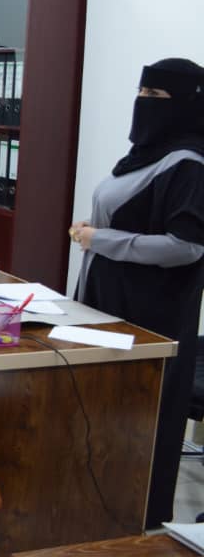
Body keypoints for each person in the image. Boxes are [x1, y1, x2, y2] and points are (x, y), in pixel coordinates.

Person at [70, 57, 204, 528]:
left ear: (187, 104)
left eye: (156, 96)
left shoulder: (189, 165)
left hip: (150, 320)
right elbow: (132, 215)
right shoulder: (147, 155)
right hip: (110, 303)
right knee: (103, 417)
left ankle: (133, 525)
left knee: (136, 424)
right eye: (141, 93)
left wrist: (101, 239)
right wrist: (97, 229)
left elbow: (186, 246)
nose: (143, 104)